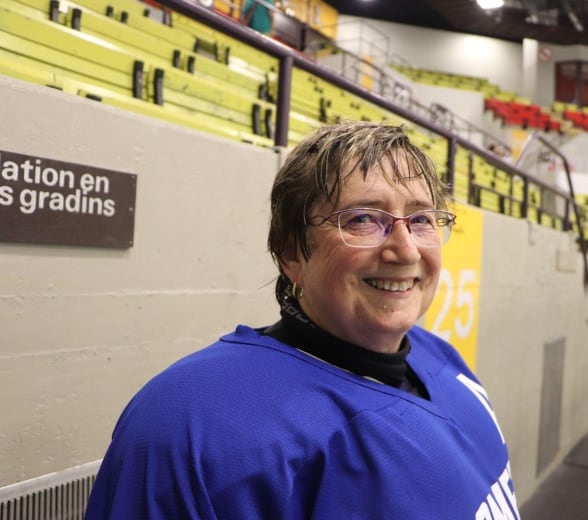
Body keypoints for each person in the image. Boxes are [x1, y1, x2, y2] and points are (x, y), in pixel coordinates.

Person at [85, 122, 521, 519]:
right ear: (290, 251)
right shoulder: (189, 424)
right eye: (364, 219)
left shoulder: (441, 357)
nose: (406, 250)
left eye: (422, 219)